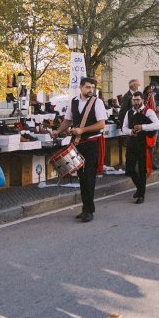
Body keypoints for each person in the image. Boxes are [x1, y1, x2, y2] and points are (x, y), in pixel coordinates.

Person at [52, 77, 108, 222]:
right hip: (78, 144)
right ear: (81, 87)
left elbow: (101, 124)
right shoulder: (74, 101)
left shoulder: (98, 102)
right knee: (82, 177)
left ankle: (89, 210)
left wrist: (82, 129)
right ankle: (86, 208)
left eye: (92, 88)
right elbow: (68, 120)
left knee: (89, 176)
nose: (90, 90)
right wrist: (58, 131)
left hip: (92, 143)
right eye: (88, 87)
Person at [121, 91, 159, 202]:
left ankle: (141, 195)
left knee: (142, 170)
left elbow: (157, 125)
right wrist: (130, 132)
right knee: (130, 168)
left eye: (138, 100)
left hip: (143, 143)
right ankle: (139, 188)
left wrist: (142, 127)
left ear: (142, 100)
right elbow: (124, 127)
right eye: (134, 100)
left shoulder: (148, 111)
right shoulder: (129, 112)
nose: (136, 102)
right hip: (132, 142)